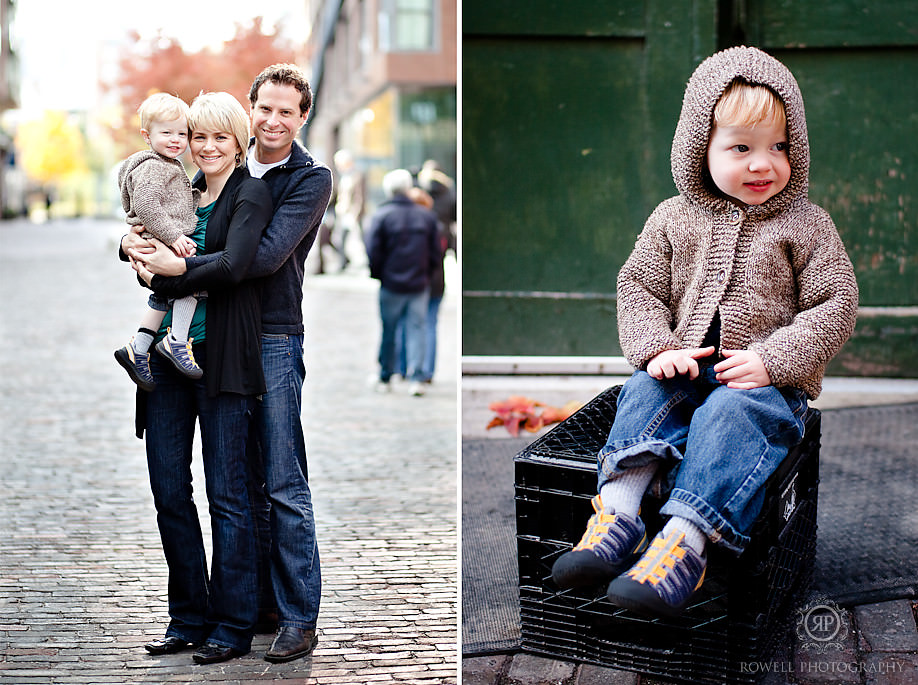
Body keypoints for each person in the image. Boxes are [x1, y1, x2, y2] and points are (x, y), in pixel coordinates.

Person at [550, 46, 859, 617]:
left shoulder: (806, 225)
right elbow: (638, 285)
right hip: (687, 370)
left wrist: (775, 359)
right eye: (741, 148)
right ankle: (616, 515)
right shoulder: (672, 217)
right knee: (644, 389)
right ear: (700, 149)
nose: (763, 163)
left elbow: (836, 303)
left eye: (780, 147)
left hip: (762, 390)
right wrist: (659, 347)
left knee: (728, 417)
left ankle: (683, 547)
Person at [124, 64, 333, 663]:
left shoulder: (303, 179)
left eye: (285, 112)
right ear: (251, 109)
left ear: (300, 118)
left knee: (280, 479)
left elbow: (257, 259)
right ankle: (249, 605)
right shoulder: (203, 174)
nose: (273, 120)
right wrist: (131, 245)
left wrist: (171, 268)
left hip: (269, 334)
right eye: (264, 107)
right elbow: (166, 223)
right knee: (240, 477)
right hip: (208, 338)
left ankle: (297, 617)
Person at [126, 91, 273, 664]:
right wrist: (126, 244)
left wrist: (174, 266)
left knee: (229, 497)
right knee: (169, 491)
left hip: (221, 360)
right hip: (167, 361)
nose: (207, 148)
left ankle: (232, 624)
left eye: (219, 138)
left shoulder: (249, 195)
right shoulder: (179, 191)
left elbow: (235, 266)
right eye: (197, 137)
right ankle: (186, 617)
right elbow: (138, 229)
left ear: (239, 142)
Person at [114, 93, 203, 390]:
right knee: (190, 282)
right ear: (146, 135)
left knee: (164, 296)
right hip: (160, 236)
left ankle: (138, 348)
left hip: (157, 235)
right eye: (166, 132)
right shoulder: (155, 166)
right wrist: (174, 236)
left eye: (182, 133)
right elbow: (148, 204)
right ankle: (176, 340)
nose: (176, 139)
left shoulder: (166, 164)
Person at [366, 168, 440, 396]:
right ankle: (416, 378)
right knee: (418, 328)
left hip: (391, 284)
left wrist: (380, 274)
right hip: (418, 284)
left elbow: (372, 251)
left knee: (389, 330)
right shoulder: (426, 216)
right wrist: (426, 274)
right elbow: (436, 252)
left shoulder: (381, 215)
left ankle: (386, 375)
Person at [331, 149, 366, 271]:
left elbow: (359, 197)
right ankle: (343, 262)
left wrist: (356, 214)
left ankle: (365, 262)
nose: (338, 166)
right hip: (342, 211)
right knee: (339, 239)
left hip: (353, 213)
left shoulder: (357, 175)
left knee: (360, 239)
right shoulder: (342, 176)